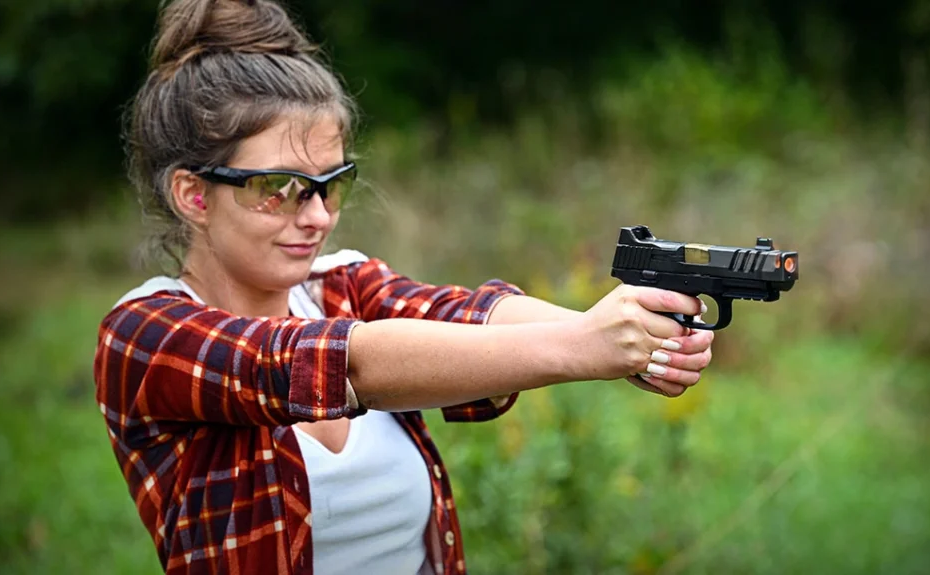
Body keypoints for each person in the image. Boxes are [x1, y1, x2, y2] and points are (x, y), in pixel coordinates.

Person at [93, 0, 715, 574]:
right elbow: (337, 365)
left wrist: (622, 327)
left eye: (330, 183)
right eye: (277, 189)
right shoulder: (143, 336)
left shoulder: (339, 285)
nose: (316, 216)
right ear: (193, 194)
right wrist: (585, 345)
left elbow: (466, 316)